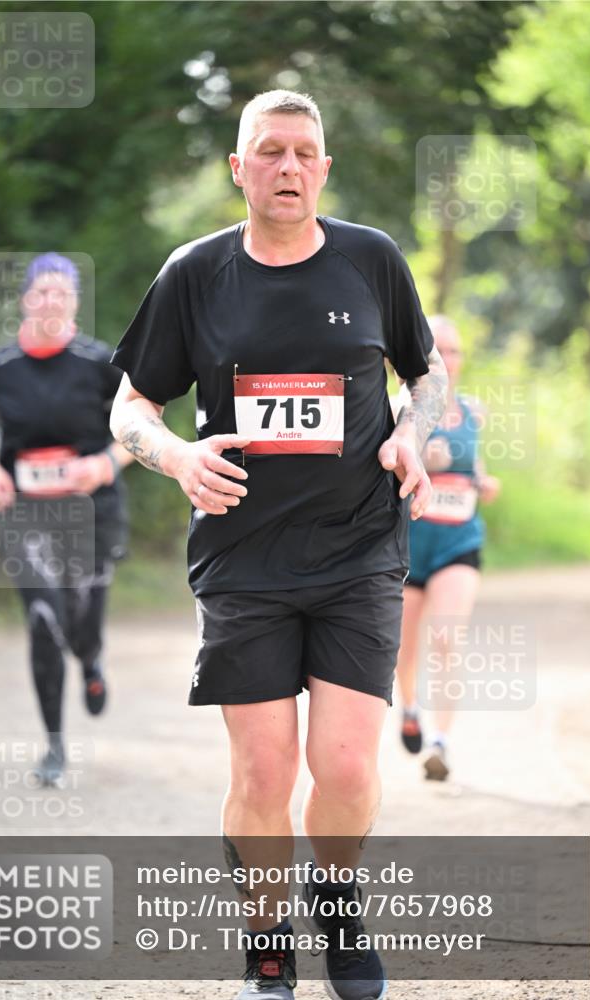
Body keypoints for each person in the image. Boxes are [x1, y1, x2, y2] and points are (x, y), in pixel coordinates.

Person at [110, 90, 447, 1000]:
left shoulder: (370, 260)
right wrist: (175, 454)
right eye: (269, 152)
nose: (287, 167)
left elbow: (427, 371)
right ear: (238, 167)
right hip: (242, 560)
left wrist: (413, 431)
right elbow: (130, 405)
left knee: (342, 766)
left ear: (324, 169)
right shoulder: (196, 273)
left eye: (303, 152)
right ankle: (266, 942)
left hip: (359, 549)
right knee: (262, 771)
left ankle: (336, 899)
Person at [0, 253, 134, 786]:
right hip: (24, 510)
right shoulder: (1, 365)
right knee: (44, 617)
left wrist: (105, 462)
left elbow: (138, 425)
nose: (50, 301)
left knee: (82, 619)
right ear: (24, 299)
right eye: (40, 292)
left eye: (61, 292)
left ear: (75, 302)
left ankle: (90, 658)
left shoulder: (99, 362)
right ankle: (55, 748)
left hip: (89, 510)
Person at [394, 315, 501, 781]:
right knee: (403, 647)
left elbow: (472, 464)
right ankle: (411, 709)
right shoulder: (400, 406)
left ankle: (441, 742)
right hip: (410, 543)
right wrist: (419, 460)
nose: (449, 358)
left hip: (459, 541)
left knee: (446, 640)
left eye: (455, 350)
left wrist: (483, 481)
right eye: (439, 348)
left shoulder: (474, 411)